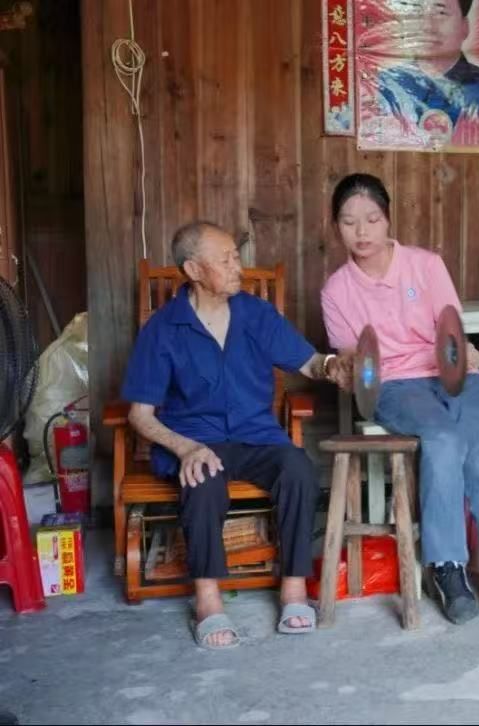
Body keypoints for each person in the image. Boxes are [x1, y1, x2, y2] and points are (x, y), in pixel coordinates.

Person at [320, 173, 479, 640]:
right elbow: (356, 362)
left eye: (372, 219)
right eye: (349, 222)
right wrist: (343, 367)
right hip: (395, 386)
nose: (362, 232)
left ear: (388, 219)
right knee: (442, 437)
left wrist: (465, 352)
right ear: (335, 226)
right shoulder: (336, 290)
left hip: (453, 375)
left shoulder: (425, 265)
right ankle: (447, 566)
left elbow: (451, 331)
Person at [122, 222, 355, 649]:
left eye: (236, 256)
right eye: (226, 259)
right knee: (202, 478)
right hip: (196, 440)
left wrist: (332, 366)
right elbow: (140, 414)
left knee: (298, 469)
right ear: (193, 269)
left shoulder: (255, 314)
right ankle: (208, 600)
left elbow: (309, 363)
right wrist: (185, 448)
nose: (238, 268)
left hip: (256, 435)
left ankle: (293, 591)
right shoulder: (163, 329)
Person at [376, 0, 479, 132]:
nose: (427, 26)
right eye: (417, 13)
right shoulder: (385, 85)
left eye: (440, 13)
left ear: (465, 27)